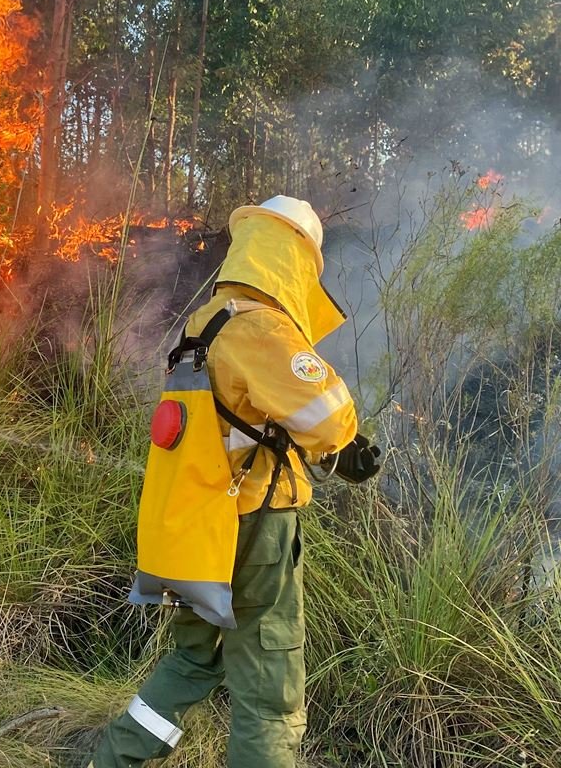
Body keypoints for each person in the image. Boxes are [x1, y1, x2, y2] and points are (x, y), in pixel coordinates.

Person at [91, 195, 380, 768]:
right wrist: (342, 449)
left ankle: (111, 760)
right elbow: (329, 416)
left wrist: (315, 449)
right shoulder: (265, 329)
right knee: (269, 684)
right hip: (255, 528)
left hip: (198, 526)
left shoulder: (205, 322)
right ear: (294, 261)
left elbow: (234, 420)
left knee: (192, 659)